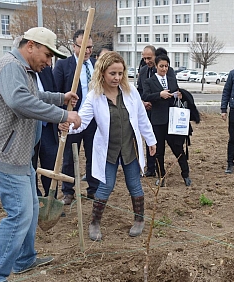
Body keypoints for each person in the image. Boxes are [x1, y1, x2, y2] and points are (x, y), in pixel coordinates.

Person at [0, 27, 81, 282]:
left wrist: (60, 98)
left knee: (31, 208)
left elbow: (32, 96)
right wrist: (62, 115)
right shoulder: (11, 66)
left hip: (19, 156)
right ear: (30, 46)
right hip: (3, 157)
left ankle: (24, 259)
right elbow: (20, 102)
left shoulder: (25, 71)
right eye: (47, 55)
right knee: (20, 213)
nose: (49, 62)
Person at [71, 51, 157, 241]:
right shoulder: (95, 96)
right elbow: (82, 121)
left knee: (134, 184)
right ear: (102, 72)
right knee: (105, 185)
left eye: (120, 73)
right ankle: (94, 223)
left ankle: (139, 220)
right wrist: (68, 126)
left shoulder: (130, 92)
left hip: (129, 147)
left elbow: (142, 118)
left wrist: (150, 140)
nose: (117, 78)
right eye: (113, 73)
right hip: (108, 150)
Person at [53, 29, 99, 205]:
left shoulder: (96, 64)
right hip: (71, 117)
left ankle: (93, 189)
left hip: (93, 120)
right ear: (74, 46)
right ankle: (68, 191)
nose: (87, 51)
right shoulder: (64, 65)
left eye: (90, 47)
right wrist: (60, 118)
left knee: (92, 154)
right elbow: (56, 93)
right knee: (69, 157)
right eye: (83, 47)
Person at [142, 54, 191, 187]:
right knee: (159, 151)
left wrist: (179, 95)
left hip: (172, 121)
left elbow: (177, 93)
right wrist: (159, 95)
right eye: (161, 66)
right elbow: (145, 95)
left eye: (166, 66)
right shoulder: (149, 81)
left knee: (177, 148)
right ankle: (161, 176)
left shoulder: (172, 79)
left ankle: (186, 174)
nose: (164, 69)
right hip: (158, 121)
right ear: (156, 66)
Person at [31, 65, 58, 197]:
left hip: (48, 126)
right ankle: (35, 199)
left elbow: (52, 92)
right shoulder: (19, 71)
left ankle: (51, 199)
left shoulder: (45, 69)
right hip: (29, 126)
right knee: (31, 165)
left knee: (51, 163)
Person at [137, 45, 160, 177]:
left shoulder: (163, 69)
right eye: (144, 58)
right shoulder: (144, 70)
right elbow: (139, 90)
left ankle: (159, 165)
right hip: (147, 110)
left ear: (155, 56)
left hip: (159, 110)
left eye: (149, 58)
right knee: (148, 137)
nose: (146, 61)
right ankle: (150, 168)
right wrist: (143, 102)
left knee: (159, 139)